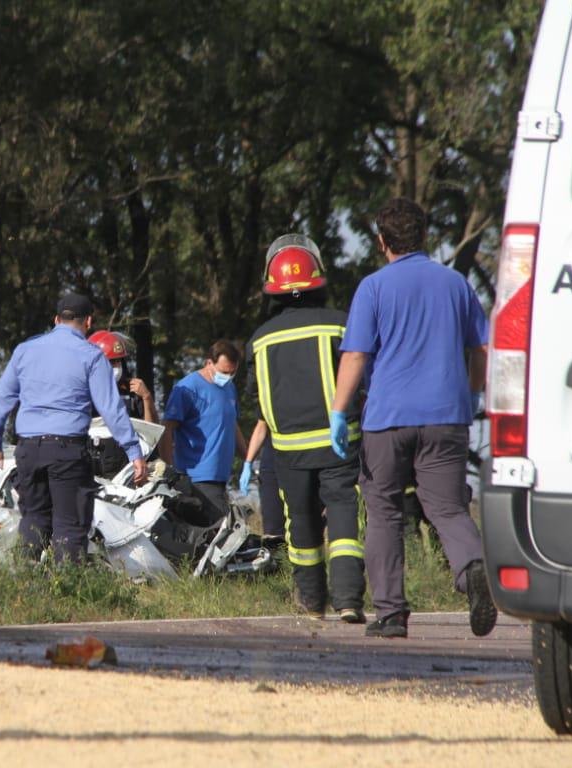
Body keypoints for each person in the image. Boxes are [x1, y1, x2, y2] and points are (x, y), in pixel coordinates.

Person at [329, 197, 494, 639]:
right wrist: (472, 391)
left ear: (381, 242)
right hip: (447, 417)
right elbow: (482, 348)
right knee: (447, 507)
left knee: (383, 511)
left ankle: (391, 614)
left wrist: (338, 412)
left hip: (388, 418)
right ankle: (473, 568)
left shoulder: (373, 287)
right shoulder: (456, 284)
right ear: (424, 236)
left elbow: (356, 355)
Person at [243, 234, 366, 621]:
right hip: (339, 443)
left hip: (288, 450)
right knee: (344, 514)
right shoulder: (341, 325)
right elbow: (360, 378)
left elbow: (257, 397)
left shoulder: (259, 340)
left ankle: (312, 602)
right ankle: (348, 600)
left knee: (300, 521)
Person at [0, 294, 149, 563]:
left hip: (28, 450)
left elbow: (1, 400)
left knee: (34, 519)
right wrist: (134, 451)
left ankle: (23, 580)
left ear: (56, 319)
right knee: (70, 525)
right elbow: (111, 408)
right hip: (67, 451)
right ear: (89, 322)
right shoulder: (91, 356)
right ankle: (67, 584)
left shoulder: (25, 350)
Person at [159, 340, 247, 525]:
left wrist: (248, 459)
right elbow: (166, 430)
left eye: (232, 372)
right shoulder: (188, 389)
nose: (228, 377)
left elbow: (232, 423)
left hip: (221, 477)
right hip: (197, 479)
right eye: (224, 372)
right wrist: (168, 471)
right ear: (209, 363)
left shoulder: (229, 388)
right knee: (220, 532)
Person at [86, 329, 156, 478]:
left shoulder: (132, 390)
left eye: (118, 361)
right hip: (90, 461)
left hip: (125, 463)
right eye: (110, 362)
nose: (116, 367)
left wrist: (146, 397)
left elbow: (150, 433)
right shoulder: (82, 390)